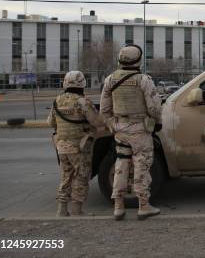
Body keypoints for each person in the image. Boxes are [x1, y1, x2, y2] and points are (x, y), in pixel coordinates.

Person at [100, 45, 162, 220]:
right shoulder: (143, 80)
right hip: (139, 130)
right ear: (138, 61)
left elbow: (104, 110)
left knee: (121, 165)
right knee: (142, 166)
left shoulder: (110, 80)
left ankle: (118, 206)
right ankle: (144, 206)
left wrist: (114, 124)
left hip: (120, 129)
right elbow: (154, 107)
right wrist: (157, 122)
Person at [48, 71, 102, 217]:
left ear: (65, 83)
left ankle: (62, 209)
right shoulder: (83, 101)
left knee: (66, 176)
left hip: (61, 146)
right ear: (83, 84)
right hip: (79, 147)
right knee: (81, 176)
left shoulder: (57, 101)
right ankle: (77, 210)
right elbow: (97, 122)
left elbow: (51, 123)